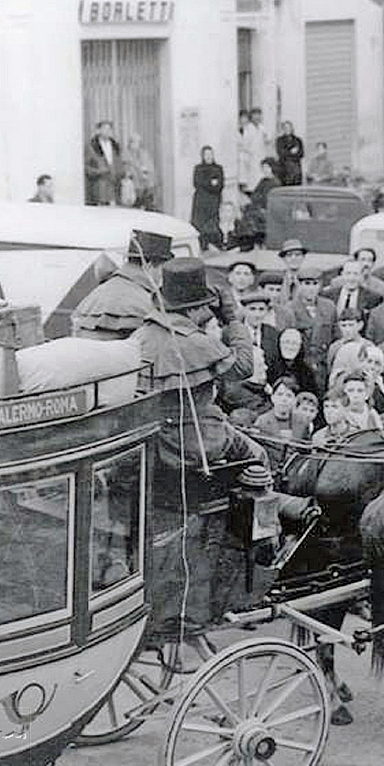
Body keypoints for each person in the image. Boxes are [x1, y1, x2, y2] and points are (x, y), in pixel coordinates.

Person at [128, 257, 269, 629]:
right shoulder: (191, 341)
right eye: (206, 304)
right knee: (258, 455)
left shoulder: (143, 334)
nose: (210, 309)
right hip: (195, 441)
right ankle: (254, 556)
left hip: (152, 440)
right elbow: (243, 368)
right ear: (193, 308)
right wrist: (233, 319)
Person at [72, 230, 174, 339]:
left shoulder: (92, 296)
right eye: (162, 269)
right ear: (149, 266)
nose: (163, 275)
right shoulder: (147, 303)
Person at [276, 264, 337, 385]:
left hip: (323, 367)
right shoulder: (289, 309)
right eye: (306, 284)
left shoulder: (329, 307)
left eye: (315, 284)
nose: (311, 288)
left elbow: (336, 336)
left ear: (320, 285)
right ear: (299, 285)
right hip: (300, 368)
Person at [322, 259, 383, 325]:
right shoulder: (327, 295)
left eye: (356, 274)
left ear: (362, 275)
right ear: (342, 274)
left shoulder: (373, 298)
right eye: (348, 273)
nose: (351, 278)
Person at [266, 327, 320, 395]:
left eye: (294, 343)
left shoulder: (307, 372)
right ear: (279, 344)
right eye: (286, 342)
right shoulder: (270, 369)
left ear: (300, 346)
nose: (290, 347)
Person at [191, 146, 226, 252]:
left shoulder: (218, 168)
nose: (209, 157)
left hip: (214, 202)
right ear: (203, 156)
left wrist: (208, 184)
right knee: (200, 227)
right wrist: (210, 183)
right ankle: (202, 247)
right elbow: (197, 183)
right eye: (206, 155)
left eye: (210, 154)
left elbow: (219, 186)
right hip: (201, 204)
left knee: (213, 226)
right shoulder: (198, 168)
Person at [84, 120, 123, 206]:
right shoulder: (91, 147)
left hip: (114, 189)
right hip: (99, 189)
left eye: (109, 129)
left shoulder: (116, 146)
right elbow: (86, 168)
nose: (107, 131)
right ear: (98, 130)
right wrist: (99, 171)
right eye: (105, 129)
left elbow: (120, 165)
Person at [122, 132, 157, 210]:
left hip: (147, 186)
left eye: (138, 142)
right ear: (130, 143)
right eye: (133, 142)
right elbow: (127, 170)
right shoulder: (126, 155)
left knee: (148, 207)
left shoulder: (144, 154)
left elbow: (150, 168)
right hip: (134, 188)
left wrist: (146, 174)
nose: (136, 144)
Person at [241, 107, 270, 193]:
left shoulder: (262, 128)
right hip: (252, 157)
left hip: (261, 155)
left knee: (261, 176)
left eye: (259, 115)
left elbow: (268, 140)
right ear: (251, 117)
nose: (257, 117)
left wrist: (266, 137)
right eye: (255, 115)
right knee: (253, 180)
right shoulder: (248, 128)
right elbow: (245, 144)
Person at [275, 120, 305, 187]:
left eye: (289, 127)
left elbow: (301, 154)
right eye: (285, 128)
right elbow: (281, 153)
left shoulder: (298, 140)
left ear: (292, 128)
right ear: (283, 129)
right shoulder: (279, 140)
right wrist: (291, 152)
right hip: (284, 170)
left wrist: (289, 154)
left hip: (296, 171)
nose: (287, 129)